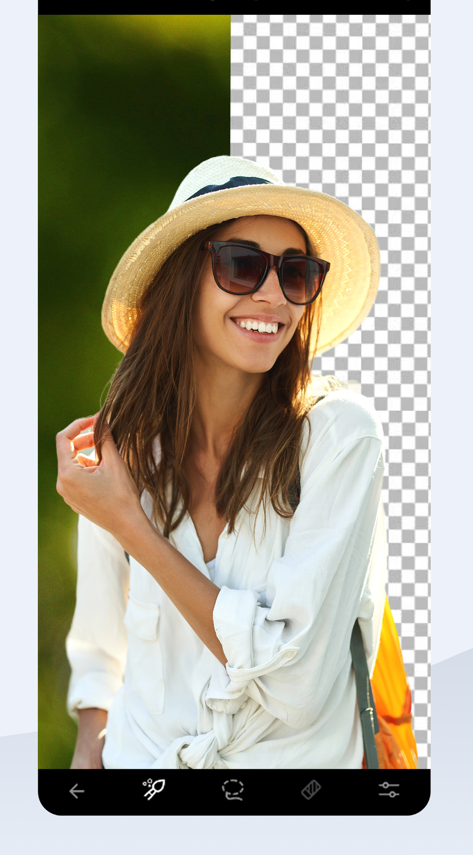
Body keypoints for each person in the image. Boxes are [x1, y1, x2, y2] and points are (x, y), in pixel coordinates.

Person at [57, 155, 385, 771]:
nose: (272, 295)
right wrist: (87, 754)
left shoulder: (341, 439)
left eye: (296, 274)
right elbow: (100, 650)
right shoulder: (123, 451)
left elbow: (299, 689)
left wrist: (132, 526)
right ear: (183, 281)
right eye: (241, 265)